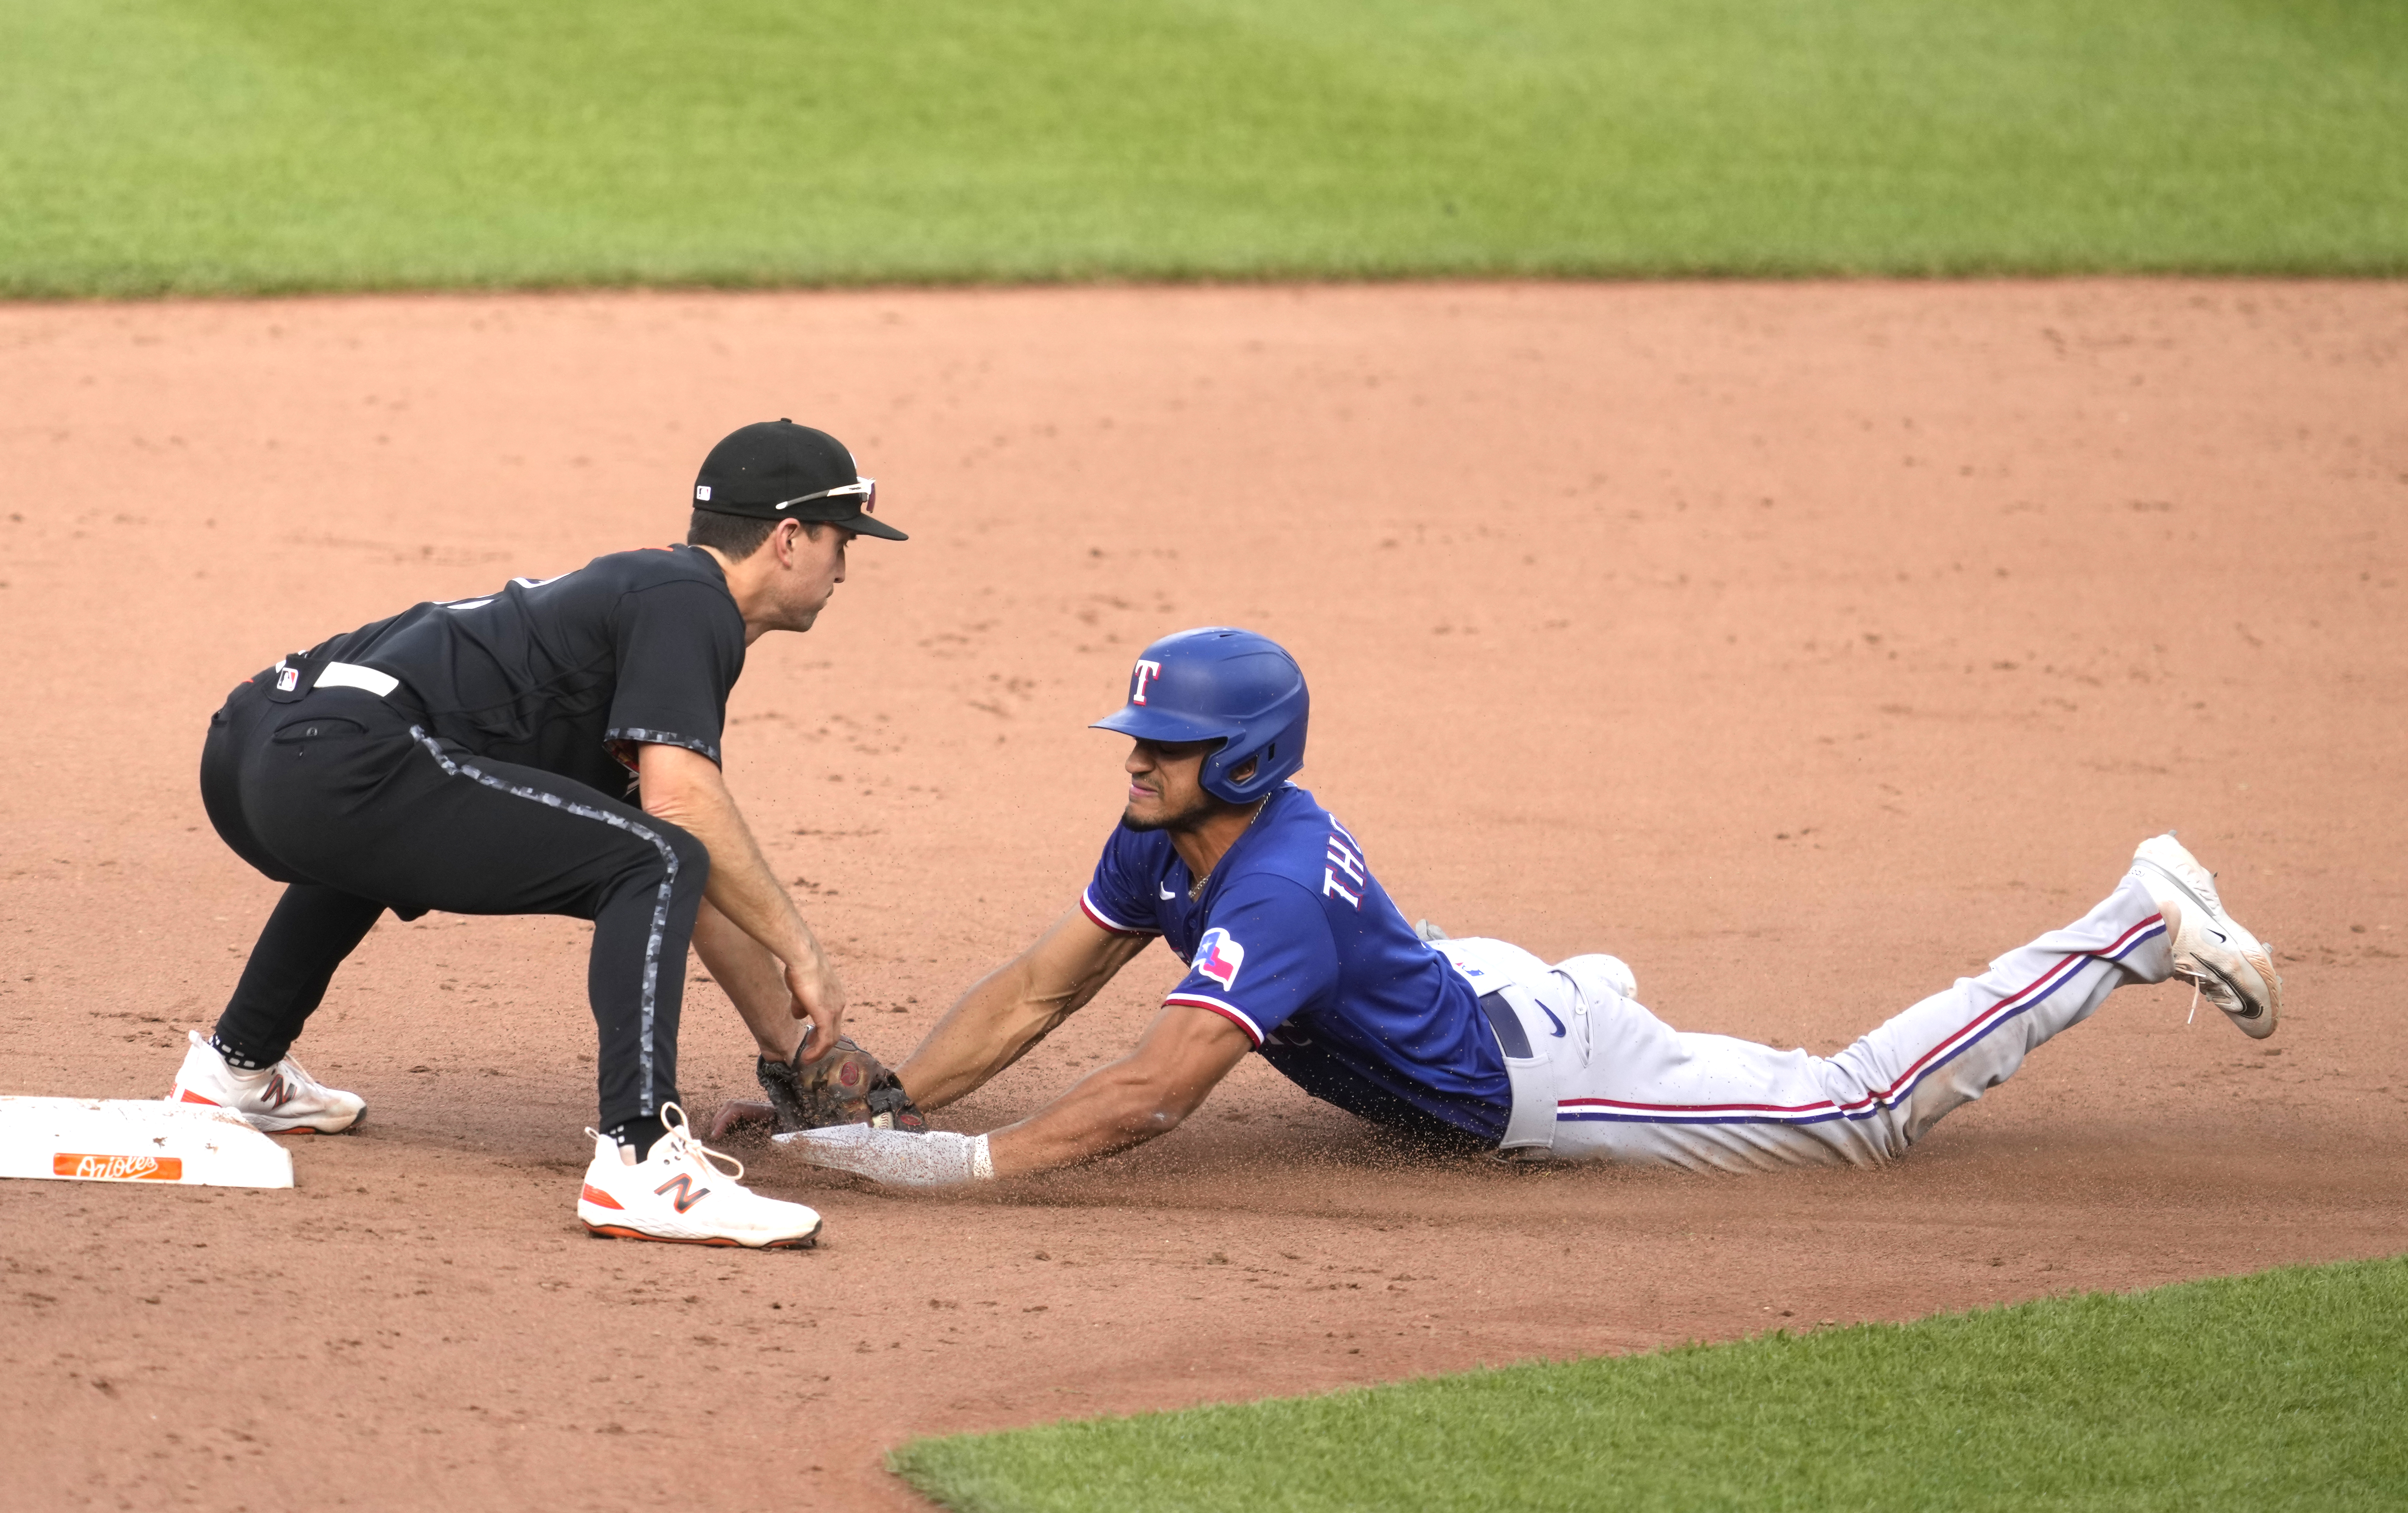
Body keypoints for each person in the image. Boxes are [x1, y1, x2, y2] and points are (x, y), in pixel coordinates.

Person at [773, 627, 2282, 1189]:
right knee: (1439, 976)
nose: (1136, 758)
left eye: (1160, 743)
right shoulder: (1166, 839)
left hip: (1533, 1072)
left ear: (1238, 758)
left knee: (1854, 1112)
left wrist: (962, 1165)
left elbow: (1158, 1092)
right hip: (1458, 970)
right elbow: (1045, 988)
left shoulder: (1274, 883)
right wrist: (894, 1092)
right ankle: (1593, 989)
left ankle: (2131, 923)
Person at [174, 420, 908, 1247]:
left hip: (262, 750)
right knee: (657, 854)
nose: (845, 564)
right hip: (331, 756)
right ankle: (643, 1161)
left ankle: (236, 1067)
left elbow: (692, 879)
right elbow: (682, 815)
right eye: (841, 538)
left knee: (639, 854)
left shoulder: (651, 598)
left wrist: (794, 1041)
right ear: (786, 538)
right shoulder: (690, 600)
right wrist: (805, 952)